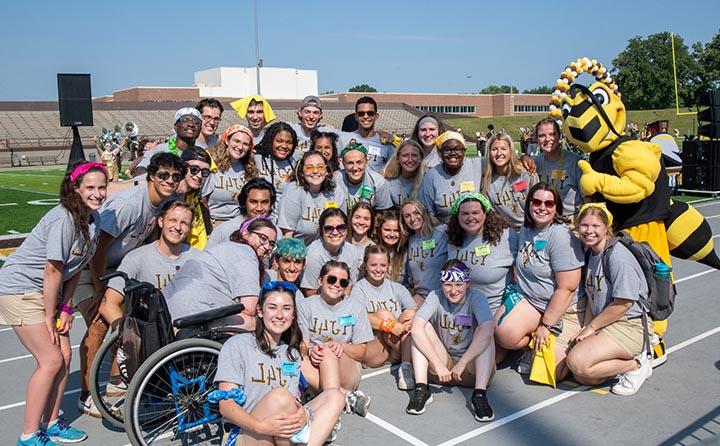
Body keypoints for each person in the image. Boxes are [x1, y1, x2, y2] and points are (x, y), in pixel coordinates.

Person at [0, 161, 108, 445]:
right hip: (20, 289)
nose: (97, 193)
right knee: (50, 359)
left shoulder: (93, 221)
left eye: (102, 187)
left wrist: (65, 307)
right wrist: (50, 315)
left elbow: (75, 268)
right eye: (90, 188)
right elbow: (53, 269)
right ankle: (29, 435)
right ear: (76, 189)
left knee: (65, 356)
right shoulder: (65, 219)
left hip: (49, 292)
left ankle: (50, 422)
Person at [77, 152, 184, 416]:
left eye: (174, 176)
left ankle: (116, 384)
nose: (169, 180)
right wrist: (102, 287)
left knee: (130, 319)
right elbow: (99, 245)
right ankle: (86, 394)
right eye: (163, 175)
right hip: (87, 266)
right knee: (99, 323)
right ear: (150, 176)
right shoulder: (131, 203)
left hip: (113, 268)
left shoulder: (163, 203)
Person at [216, 281, 345, 446]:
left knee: (335, 396)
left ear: (293, 315)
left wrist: (304, 415)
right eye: (272, 307)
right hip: (248, 432)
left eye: (286, 308)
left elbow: (292, 404)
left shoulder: (291, 354)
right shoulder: (237, 345)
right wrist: (261, 427)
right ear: (260, 311)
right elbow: (226, 406)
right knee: (280, 396)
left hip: (281, 435)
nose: (279, 314)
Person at [494, 183, 584, 381]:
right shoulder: (527, 228)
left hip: (565, 309)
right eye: (536, 202)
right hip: (532, 301)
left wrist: (547, 325)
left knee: (553, 371)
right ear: (529, 205)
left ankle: (555, 339)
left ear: (556, 208)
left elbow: (567, 288)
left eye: (549, 203)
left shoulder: (560, 236)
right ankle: (533, 344)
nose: (542, 207)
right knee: (503, 334)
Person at [566, 204, 652, 395]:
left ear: (606, 228)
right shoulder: (591, 253)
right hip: (607, 323)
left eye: (596, 226)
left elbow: (623, 304)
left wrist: (591, 328)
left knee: (578, 362)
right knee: (582, 375)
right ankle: (621, 362)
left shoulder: (618, 256)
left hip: (629, 324)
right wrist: (585, 328)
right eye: (584, 225)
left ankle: (636, 365)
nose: (589, 231)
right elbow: (591, 296)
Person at [99, 200, 199, 348]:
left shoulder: (198, 259)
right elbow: (108, 304)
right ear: (160, 221)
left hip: (190, 335)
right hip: (152, 337)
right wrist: (130, 336)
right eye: (172, 220)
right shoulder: (137, 258)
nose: (177, 227)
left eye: (184, 223)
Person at [406, 260, 496, 422]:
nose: (453, 291)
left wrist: (462, 363)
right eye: (448, 285)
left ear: (467, 284)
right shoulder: (436, 296)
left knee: (485, 332)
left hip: (470, 368)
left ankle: (480, 394)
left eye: (458, 284)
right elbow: (416, 327)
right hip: (444, 369)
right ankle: (422, 389)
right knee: (421, 329)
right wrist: (438, 365)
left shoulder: (477, 297)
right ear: (441, 284)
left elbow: (488, 329)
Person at [164, 218, 277, 328]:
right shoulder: (246, 253)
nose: (267, 246)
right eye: (263, 238)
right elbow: (249, 308)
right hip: (193, 318)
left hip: (170, 313)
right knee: (260, 322)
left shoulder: (226, 248)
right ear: (246, 234)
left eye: (272, 244)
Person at [298, 261, 373, 419]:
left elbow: (362, 352)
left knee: (328, 351)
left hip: (346, 367)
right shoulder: (305, 306)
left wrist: (341, 346)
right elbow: (302, 345)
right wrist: (311, 351)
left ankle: (328, 411)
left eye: (343, 282)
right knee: (291, 361)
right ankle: (344, 397)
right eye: (332, 279)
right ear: (320, 281)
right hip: (315, 366)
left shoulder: (356, 308)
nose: (337, 285)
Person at [350, 245, 417, 388]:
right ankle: (414, 357)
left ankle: (405, 366)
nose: (378, 269)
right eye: (373, 265)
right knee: (383, 314)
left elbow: (413, 313)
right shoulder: (359, 289)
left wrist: (404, 324)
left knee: (410, 314)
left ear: (388, 266)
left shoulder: (397, 288)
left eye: (383, 265)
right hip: (375, 346)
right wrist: (391, 326)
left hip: (396, 347)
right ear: (365, 266)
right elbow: (358, 317)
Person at [446, 193, 517, 315]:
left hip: (495, 310)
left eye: (475, 212)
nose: (470, 217)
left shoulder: (505, 236)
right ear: (457, 216)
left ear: (485, 213)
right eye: (465, 213)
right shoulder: (452, 239)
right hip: (462, 309)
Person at [277, 150, 346, 246]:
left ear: (326, 171)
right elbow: (287, 235)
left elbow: (342, 227)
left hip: (329, 248)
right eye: (309, 168)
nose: (315, 171)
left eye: (320, 167)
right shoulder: (293, 191)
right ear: (301, 172)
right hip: (299, 251)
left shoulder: (335, 190)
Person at [418, 131, 483, 223]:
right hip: (445, 231)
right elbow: (427, 213)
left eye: (458, 149)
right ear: (440, 153)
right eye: (447, 149)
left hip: (474, 226)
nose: (453, 153)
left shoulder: (477, 165)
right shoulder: (431, 176)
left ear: (464, 151)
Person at [203, 124, 259, 224]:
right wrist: (209, 228)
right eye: (237, 141)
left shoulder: (250, 169)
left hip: (239, 222)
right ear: (227, 141)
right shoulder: (211, 163)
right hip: (214, 221)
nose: (240, 147)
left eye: (245, 144)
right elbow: (203, 200)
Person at [300, 208, 361, 297]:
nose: (335, 232)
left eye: (341, 227)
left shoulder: (352, 251)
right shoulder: (313, 255)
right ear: (321, 231)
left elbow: (348, 286)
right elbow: (310, 292)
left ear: (347, 230)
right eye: (329, 228)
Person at [481, 133, 538, 229]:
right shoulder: (485, 180)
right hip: (504, 231)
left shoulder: (526, 174)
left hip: (530, 228)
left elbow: (538, 205)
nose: (499, 153)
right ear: (489, 153)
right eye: (494, 149)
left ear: (510, 151)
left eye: (503, 149)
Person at [532, 118, 584, 218]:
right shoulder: (534, 162)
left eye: (552, 134)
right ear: (536, 139)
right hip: (544, 218)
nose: (547, 139)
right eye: (542, 136)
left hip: (571, 219)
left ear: (560, 136)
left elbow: (587, 198)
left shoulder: (576, 162)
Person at [400, 200, 447, 305]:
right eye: (407, 216)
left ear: (424, 212)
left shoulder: (442, 232)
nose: (412, 219)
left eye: (416, 213)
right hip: (422, 296)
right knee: (405, 318)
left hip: (443, 295)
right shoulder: (410, 241)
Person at [206, 178, 276, 248]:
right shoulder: (224, 231)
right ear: (244, 203)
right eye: (253, 202)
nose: (259, 208)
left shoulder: (275, 233)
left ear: (271, 205)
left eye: (264, 202)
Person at [134, 107, 202, 175]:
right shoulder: (159, 150)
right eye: (185, 120)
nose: (191, 124)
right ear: (175, 126)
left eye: (197, 122)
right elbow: (141, 169)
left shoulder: (203, 153)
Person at [337, 96, 395, 173]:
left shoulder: (386, 143)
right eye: (361, 113)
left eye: (370, 113)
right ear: (356, 117)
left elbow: (393, 171)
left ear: (376, 116)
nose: (365, 116)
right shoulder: (343, 139)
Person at [334, 142, 393, 213]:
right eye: (350, 163)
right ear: (343, 164)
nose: (355, 168)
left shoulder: (378, 182)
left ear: (366, 161)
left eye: (359, 162)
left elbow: (382, 212)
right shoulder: (335, 181)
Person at [177, 146, 213, 249]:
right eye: (194, 170)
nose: (199, 176)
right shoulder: (170, 193)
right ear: (183, 168)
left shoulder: (194, 195)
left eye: (205, 172)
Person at [255, 121, 298, 202]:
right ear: (270, 141)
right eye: (279, 141)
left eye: (289, 142)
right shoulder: (256, 160)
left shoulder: (295, 163)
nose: (284, 146)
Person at [383, 139, 427, 208]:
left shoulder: (428, 180)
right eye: (405, 156)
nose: (410, 160)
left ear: (420, 158)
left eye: (414, 155)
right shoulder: (388, 182)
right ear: (397, 158)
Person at [373, 209, 407, 283]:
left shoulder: (406, 253)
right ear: (380, 230)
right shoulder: (372, 250)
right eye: (387, 230)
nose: (392, 234)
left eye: (396, 230)